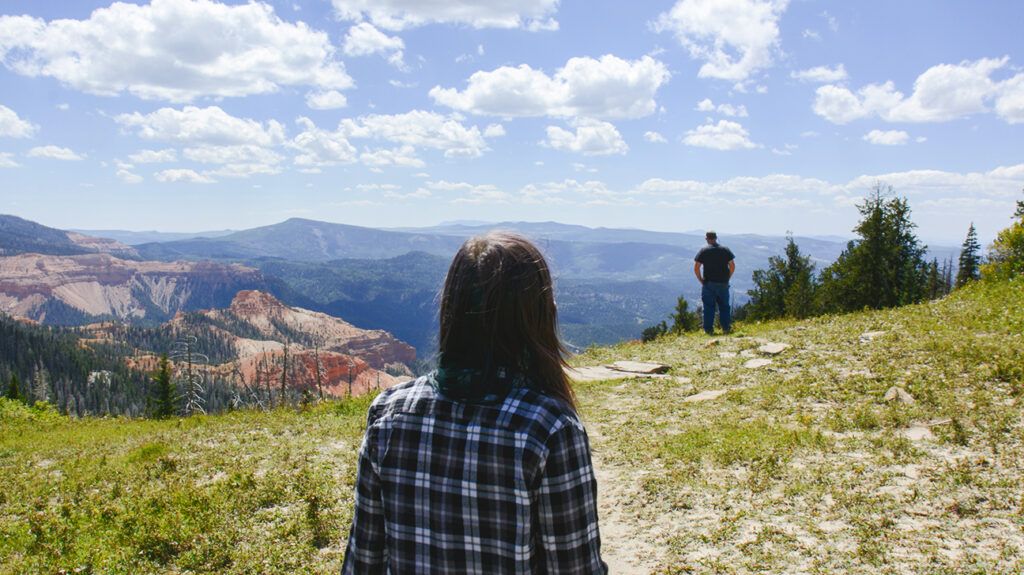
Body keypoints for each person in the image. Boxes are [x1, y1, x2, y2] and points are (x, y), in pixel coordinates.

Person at [341, 231, 606, 574]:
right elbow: (576, 567)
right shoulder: (549, 428)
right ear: (539, 316)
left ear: (451, 310)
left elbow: (363, 559)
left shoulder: (387, 414)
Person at [693, 230, 736, 335]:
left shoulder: (704, 251)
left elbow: (696, 268)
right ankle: (726, 328)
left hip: (709, 283)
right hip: (723, 283)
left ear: (707, 239)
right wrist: (728, 277)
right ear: (716, 238)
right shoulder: (725, 250)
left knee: (708, 307)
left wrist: (701, 280)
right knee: (724, 307)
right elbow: (732, 266)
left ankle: (708, 330)